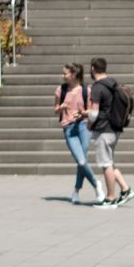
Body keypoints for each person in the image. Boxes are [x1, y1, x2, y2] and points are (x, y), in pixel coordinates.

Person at [86, 57, 134, 208]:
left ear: (93, 68)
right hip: (115, 127)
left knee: (105, 163)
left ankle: (111, 197)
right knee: (110, 161)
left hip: (103, 129)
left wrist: (88, 125)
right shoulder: (113, 83)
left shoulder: (97, 87)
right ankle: (126, 189)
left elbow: (94, 114)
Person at [54, 64, 100, 204]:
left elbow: (92, 111)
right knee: (81, 161)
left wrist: (82, 113)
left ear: (74, 74)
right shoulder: (60, 90)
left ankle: (76, 190)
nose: (63, 76)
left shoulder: (87, 90)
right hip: (68, 128)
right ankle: (96, 184)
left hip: (84, 126)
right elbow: (55, 109)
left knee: (82, 161)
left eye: (65, 73)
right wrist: (60, 108)